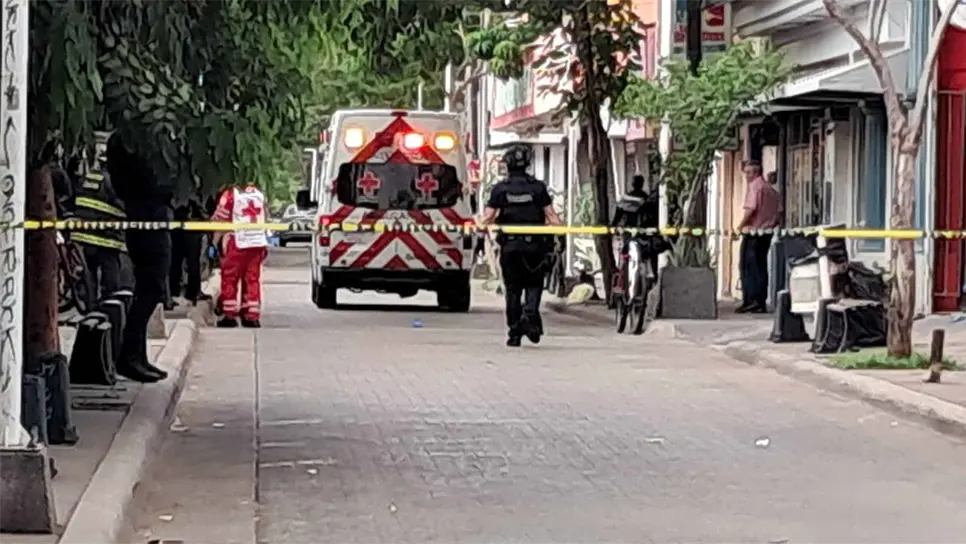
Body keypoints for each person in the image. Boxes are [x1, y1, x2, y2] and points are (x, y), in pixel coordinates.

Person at [104, 134, 173, 383]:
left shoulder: (130, 139)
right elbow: (152, 180)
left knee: (151, 288)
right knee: (151, 288)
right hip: (146, 216)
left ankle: (137, 356)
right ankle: (129, 357)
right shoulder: (132, 141)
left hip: (151, 215)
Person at [479, 144, 562, 347]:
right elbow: (552, 217)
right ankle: (530, 316)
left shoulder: (500, 189)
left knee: (513, 290)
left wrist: (477, 226)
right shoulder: (538, 188)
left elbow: (487, 218)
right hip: (535, 247)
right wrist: (562, 234)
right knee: (534, 285)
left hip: (511, 248)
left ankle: (514, 332)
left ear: (507, 165)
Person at [71, 148, 127, 300]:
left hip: (85, 235)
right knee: (110, 273)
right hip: (105, 236)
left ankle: (90, 304)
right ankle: (111, 304)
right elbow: (121, 204)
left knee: (89, 274)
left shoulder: (88, 178)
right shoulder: (111, 181)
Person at [211, 182, 270, 328]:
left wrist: (214, 243)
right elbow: (266, 218)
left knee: (230, 277)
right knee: (252, 278)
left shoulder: (229, 195)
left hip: (236, 240)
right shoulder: (259, 195)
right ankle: (251, 315)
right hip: (257, 242)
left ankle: (229, 315)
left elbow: (220, 220)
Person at [735, 160, 782, 313]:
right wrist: (771, 224)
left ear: (756, 173)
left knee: (748, 267)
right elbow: (779, 212)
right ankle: (759, 301)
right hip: (766, 233)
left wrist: (740, 226)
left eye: (748, 173)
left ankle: (750, 300)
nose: (746, 176)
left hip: (753, 232)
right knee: (761, 267)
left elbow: (751, 209)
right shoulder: (771, 190)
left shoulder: (756, 186)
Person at [612, 174, 665, 282]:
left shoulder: (627, 198)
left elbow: (618, 214)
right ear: (642, 184)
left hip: (630, 232)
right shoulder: (646, 198)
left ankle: (624, 278)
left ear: (633, 184)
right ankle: (651, 277)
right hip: (643, 233)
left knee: (626, 255)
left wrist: (613, 226)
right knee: (646, 256)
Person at [167, 191, 213, 308]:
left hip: (190, 228)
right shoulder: (185, 187)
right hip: (183, 228)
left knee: (190, 262)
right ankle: (178, 292)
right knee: (179, 261)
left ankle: (190, 292)